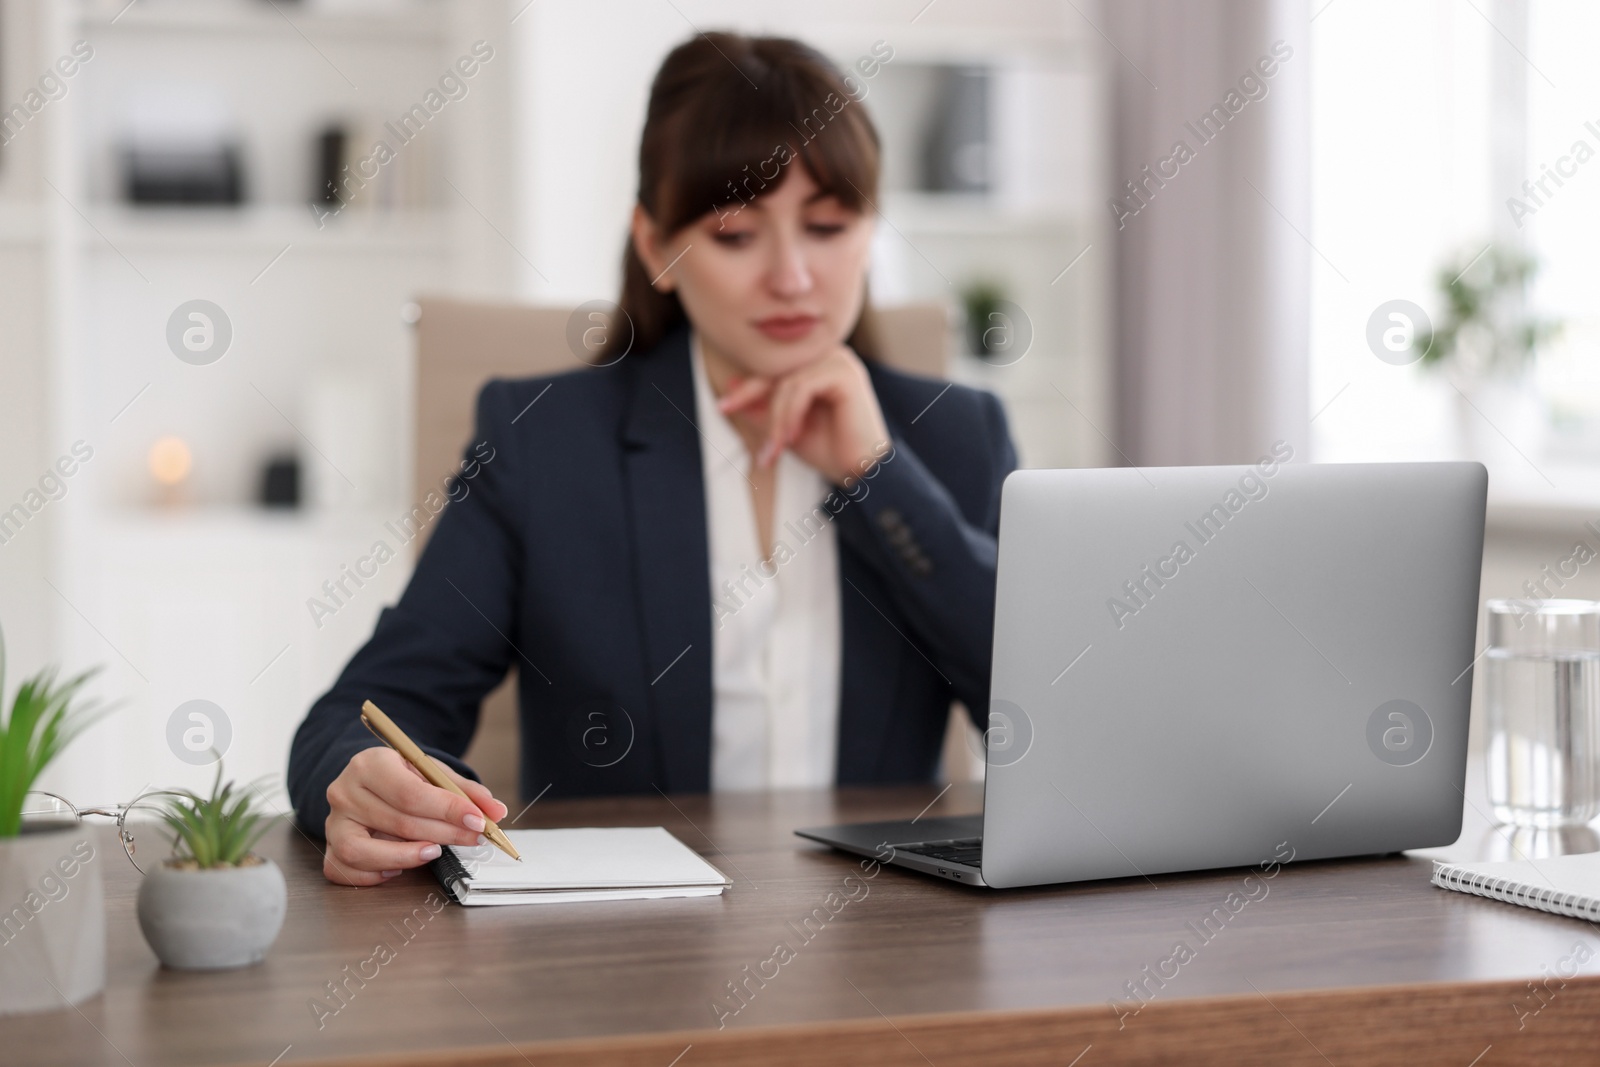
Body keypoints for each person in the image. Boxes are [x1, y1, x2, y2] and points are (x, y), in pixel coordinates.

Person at [287, 32, 1018, 886]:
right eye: (737, 233)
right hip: (633, 954)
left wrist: (879, 473)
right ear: (655, 247)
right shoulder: (543, 441)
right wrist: (365, 783)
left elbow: (1049, 715)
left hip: (892, 943)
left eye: (827, 226)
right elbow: (364, 710)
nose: (793, 277)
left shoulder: (957, 437)